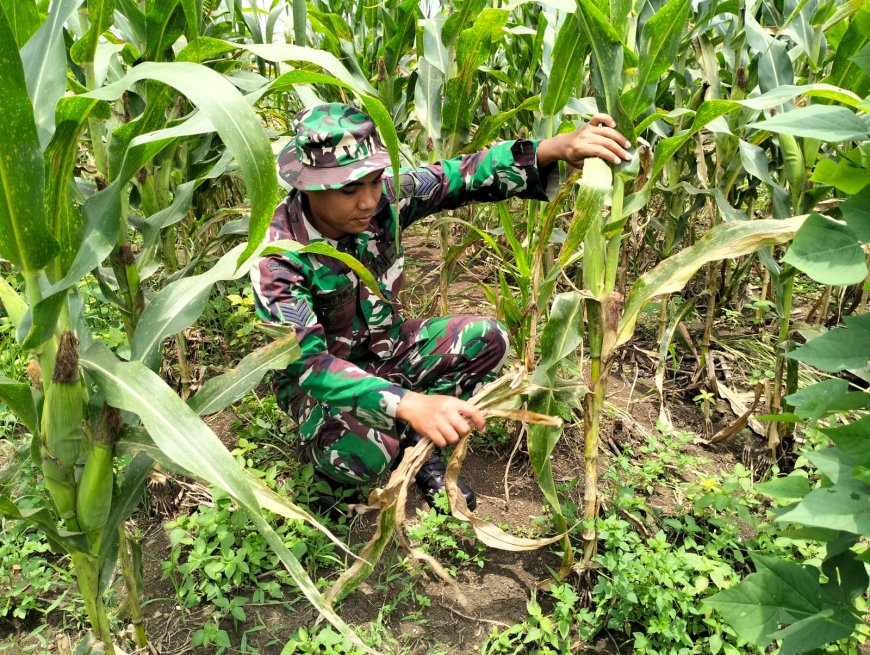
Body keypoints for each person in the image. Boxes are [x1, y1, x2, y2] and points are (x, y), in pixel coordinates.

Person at [251, 103, 632, 513]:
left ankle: (420, 446)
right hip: (327, 386)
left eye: (376, 182)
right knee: (369, 450)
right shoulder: (279, 257)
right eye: (350, 189)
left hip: (385, 348)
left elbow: (457, 177)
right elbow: (308, 366)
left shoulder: (382, 204)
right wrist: (409, 403)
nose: (368, 201)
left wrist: (553, 149)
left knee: (488, 340)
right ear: (309, 184)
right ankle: (325, 470)